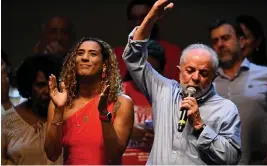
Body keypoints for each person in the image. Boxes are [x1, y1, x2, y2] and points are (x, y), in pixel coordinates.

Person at [122, 0, 241, 164]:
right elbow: (133, 58)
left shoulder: (226, 109)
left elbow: (231, 159)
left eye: (204, 73)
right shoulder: (164, 91)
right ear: (179, 72)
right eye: (190, 70)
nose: (196, 78)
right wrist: (150, 19)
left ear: (214, 77)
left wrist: (200, 126)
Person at [44, 37, 134, 165]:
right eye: (80, 53)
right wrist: (59, 110)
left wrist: (103, 114)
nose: (84, 58)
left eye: (93, 54)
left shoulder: (122, 103)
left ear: (104, 65)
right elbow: (52, 154)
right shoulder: (60, 102)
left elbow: (113, 156)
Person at [209, 19, 267, 164]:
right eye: (215, 41)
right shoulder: (207, 83)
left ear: (241, 41)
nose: (220, 45)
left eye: (225, 38)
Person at [1, 55, 62, 165]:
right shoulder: (8, 121)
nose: (48, 92)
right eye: (41, 85)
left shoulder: (68, 118)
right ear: (28, 86)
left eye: (53, 85)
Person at [122, 40, 166, 165]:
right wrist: (127, 131)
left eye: (153, 71)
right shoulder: (118, 92)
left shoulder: (170, 94)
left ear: (161, 71)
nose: (146, 76)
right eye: (142, 69)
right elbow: (101, 130)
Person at [114, 0, 181, 81]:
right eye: (133, 18)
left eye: (144, 17)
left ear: (156, 19)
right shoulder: (116, 55)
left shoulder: (173, 52)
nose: (138, 23)